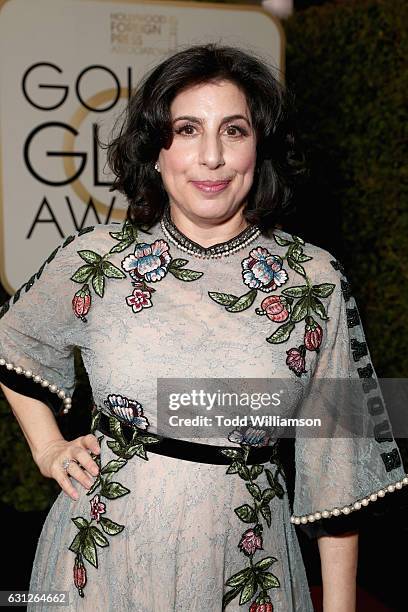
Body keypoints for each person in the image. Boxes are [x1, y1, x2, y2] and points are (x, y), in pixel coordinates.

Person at [0, 43, 406, 612]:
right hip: (104, 561)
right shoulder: (99, 261)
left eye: (234, 130)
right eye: (187, 129)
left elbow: (337, 462)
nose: (211, 156)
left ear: (259, 147)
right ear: (156, 151)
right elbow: (11, 337)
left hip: (246, 566)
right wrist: (47, 448)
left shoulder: (313, 280)